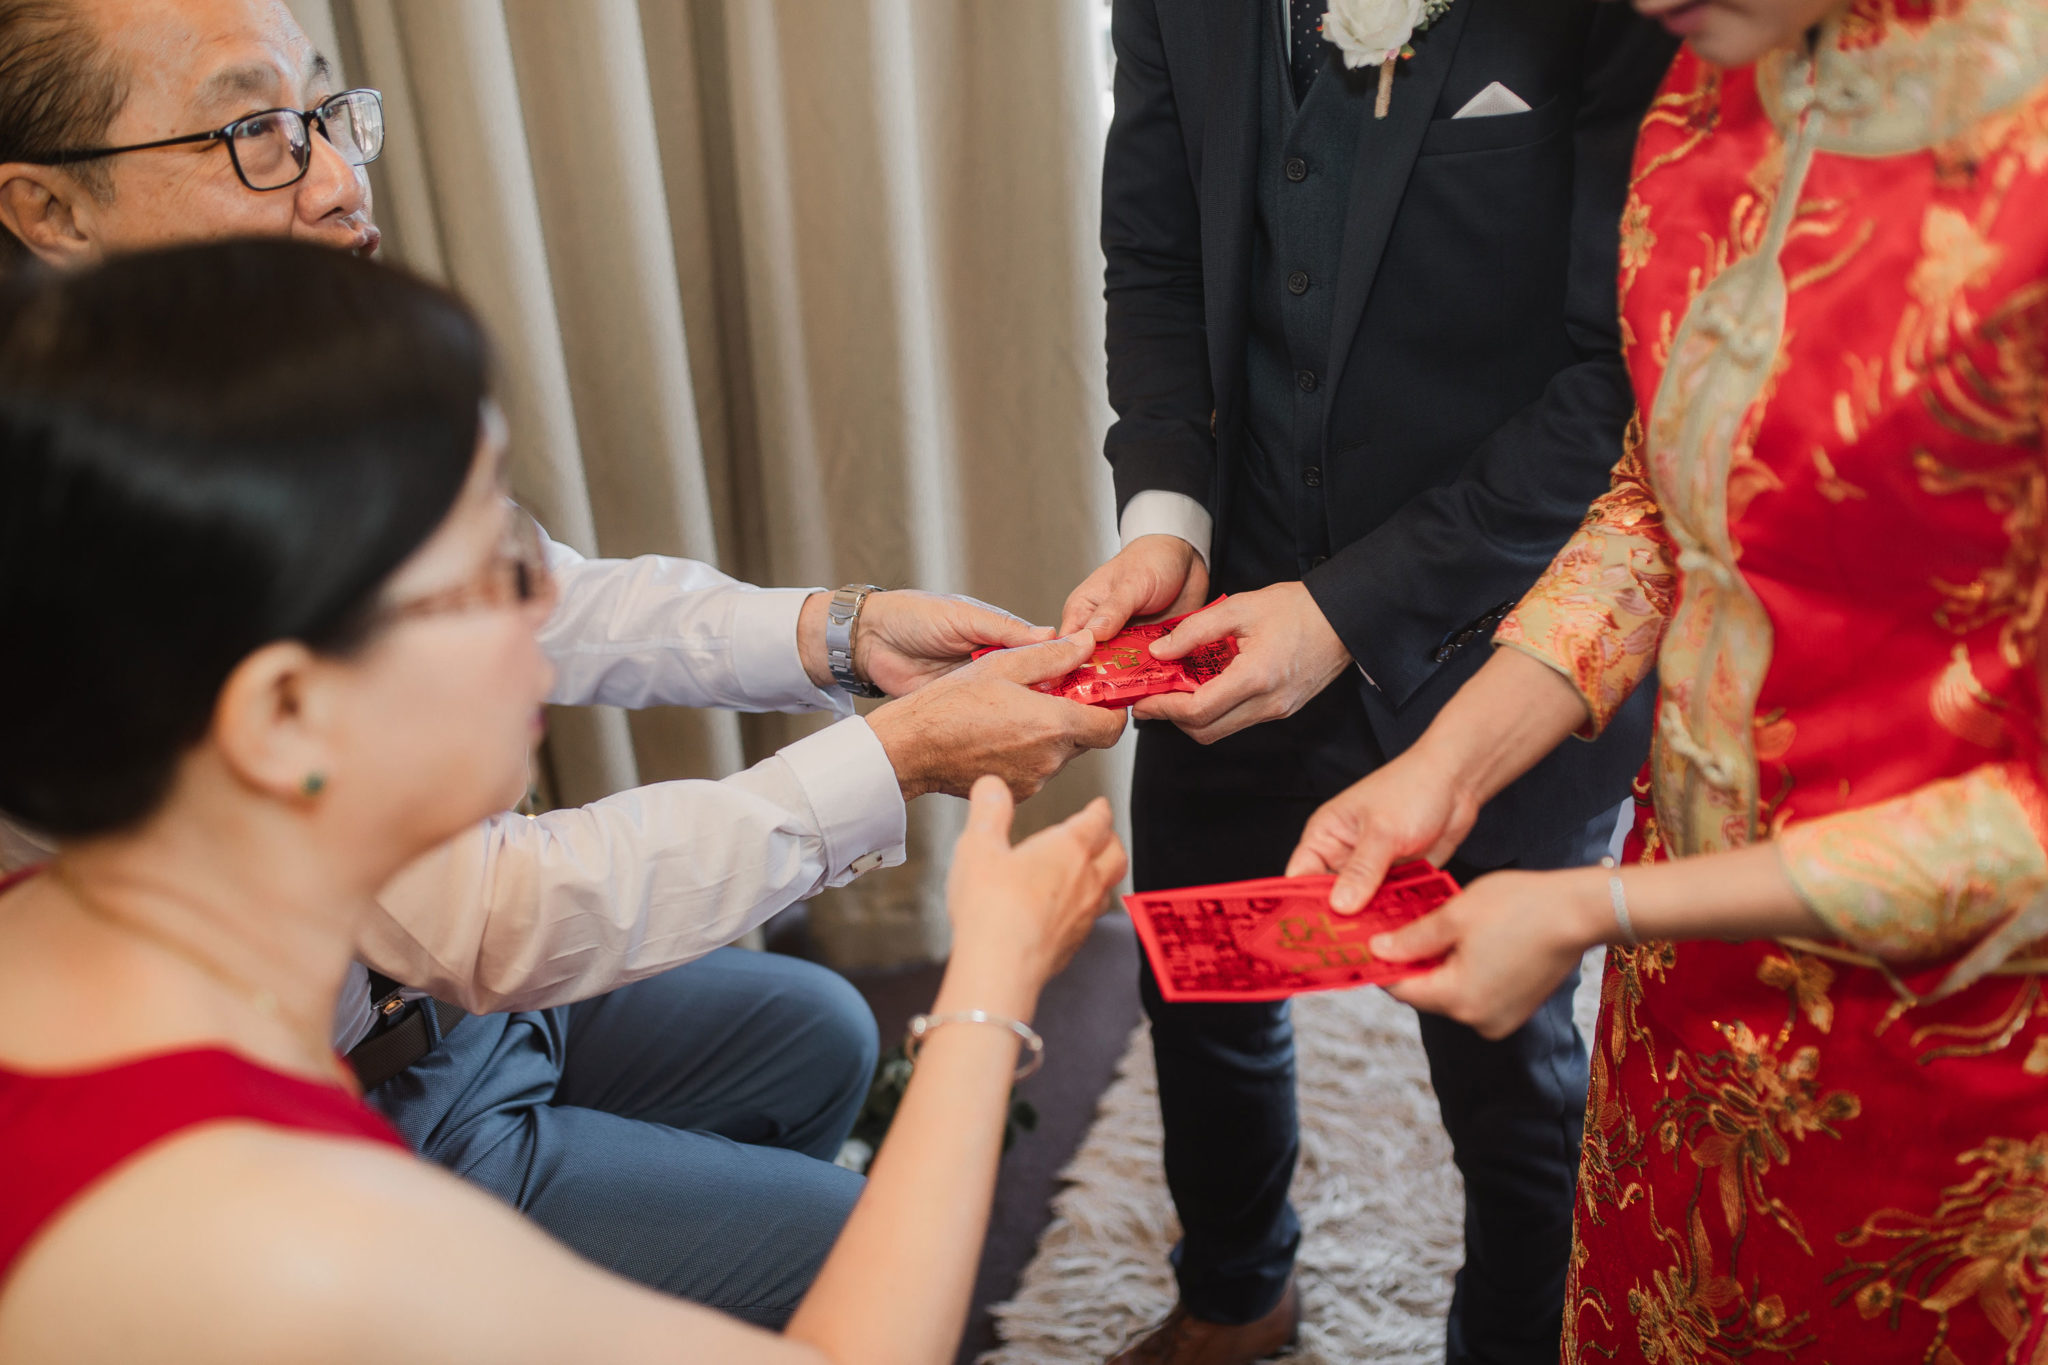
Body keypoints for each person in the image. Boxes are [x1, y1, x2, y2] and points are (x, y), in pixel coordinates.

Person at [0, 0, 1127, 1326]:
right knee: (845, 1236)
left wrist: (840, 633)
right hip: (395, 1071)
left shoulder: (213, 428)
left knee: (818, 1027)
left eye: (320, 111)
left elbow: (564, 623)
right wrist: (987, 972)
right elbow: (485, 916)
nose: (342, 180)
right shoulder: (278, 1218)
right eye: (254, 129)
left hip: (407, 1011)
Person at [1288, 0, 2048, 1359]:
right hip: (1688, 970)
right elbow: (1660, 500)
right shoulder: (1710, 90)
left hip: (1967, 1042)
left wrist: (1597, 900)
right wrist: (1440, 771)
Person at [1062, 2, 1676, 1360]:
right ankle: (1237, 1284)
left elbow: (1614, 380)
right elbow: (1155, 254)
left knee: (1506, 1060)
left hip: (1515, 619)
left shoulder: (1645, 11)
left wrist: (1346, 613)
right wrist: (1167, 519)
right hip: (1240, 580)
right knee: (1200, 954)